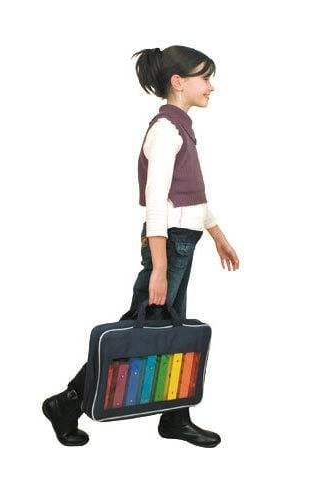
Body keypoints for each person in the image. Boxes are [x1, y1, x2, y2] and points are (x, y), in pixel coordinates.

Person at [42, 45, 240, 447]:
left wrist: (217, 234)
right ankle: (66, 403)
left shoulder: (181, 127)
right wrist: (161, 268)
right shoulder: (165, 131)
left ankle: (175, 416)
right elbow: (156, 204)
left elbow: (191, 195)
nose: (212, 86)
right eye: (205, 77)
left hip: (182, 243)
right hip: (168, 245)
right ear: (178, 82)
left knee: (173, 330)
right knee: (140, 328)